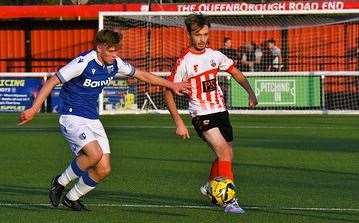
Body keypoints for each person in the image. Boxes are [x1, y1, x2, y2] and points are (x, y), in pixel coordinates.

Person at [18, 29, 189, 211]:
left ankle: (72, 197)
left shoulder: (115, 64)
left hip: (92, 118)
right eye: (111, 51)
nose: (115, 55)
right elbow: (53, 80)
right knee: (94, 155)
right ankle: (59, 182)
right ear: (99, 48)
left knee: (103, 169)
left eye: (117, 50)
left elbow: (143, 75)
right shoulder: (83, 63)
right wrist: (35, 108)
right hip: (71, 116)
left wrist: (171, 84)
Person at [163, 14, 258, 214]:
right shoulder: (184, 62)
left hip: (221, 112)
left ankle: (210, 186)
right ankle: (229, 200)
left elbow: (236, 73)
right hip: (201, 113)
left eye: (205, 34)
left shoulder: (215, 55)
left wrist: (250, 92)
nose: (202, 39)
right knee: (223, 151)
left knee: (227, 155)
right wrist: (179, 122)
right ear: (188, 34)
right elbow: (168, 91)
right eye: (198, 35)